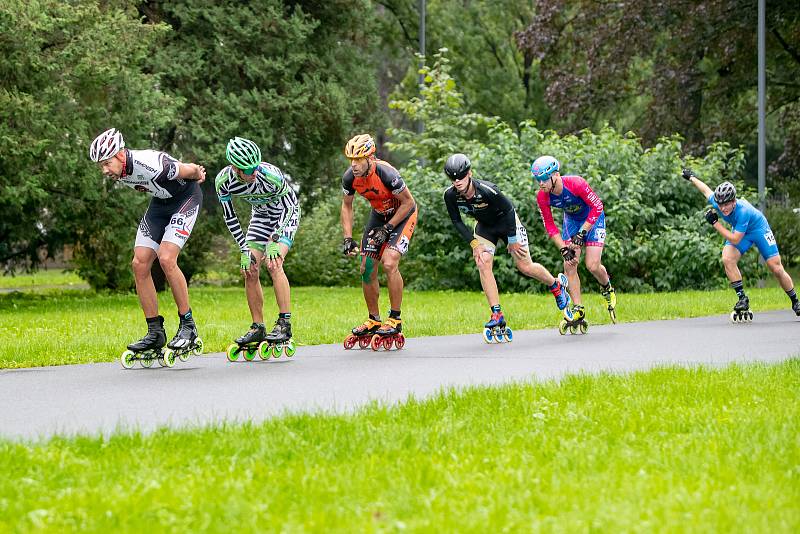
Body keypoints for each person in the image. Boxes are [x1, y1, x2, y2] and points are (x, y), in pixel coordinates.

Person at [89, 128, 205, 353]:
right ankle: (155, 332)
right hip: (160, 205)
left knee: (166, 258)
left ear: (120, 155)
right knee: (139, 263)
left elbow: (188, 169)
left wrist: (197, 172)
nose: (104, 170)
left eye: (106, 163)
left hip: (185, 199)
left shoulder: (152, 163)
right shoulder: (121, 170)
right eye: (100, 166)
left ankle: (188, 325)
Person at [442, 153, 573, 338]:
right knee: (482, 262)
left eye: (461, 176)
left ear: (469, 173)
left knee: (524, 266)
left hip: (508, 223)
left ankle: (556, 285)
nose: (457, 181)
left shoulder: (487, 190)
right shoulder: (450, 195)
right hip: (485, 227)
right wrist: (474, 244)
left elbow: (509, 209)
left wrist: (512, 240)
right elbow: (457, 221)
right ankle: (497, 314)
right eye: (452, 178)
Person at [216, 137, 301, 348]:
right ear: (235, 168)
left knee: (274, 263)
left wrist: (275, 240)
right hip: (261, 217)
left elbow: (290, 208)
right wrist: (244, 249)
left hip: (285, 215)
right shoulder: (223, 182)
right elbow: (230, 217)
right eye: (248, 169)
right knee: (250, 268)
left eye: (256, 166)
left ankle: (284, 324)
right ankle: (258, 327)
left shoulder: (270, 175)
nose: (254, 171)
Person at [682, 168, 800, 318]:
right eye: (720, 204)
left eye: (726, 204)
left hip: (758, 229)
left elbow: (735, 239)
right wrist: (692, 177)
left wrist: (715, 224)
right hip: (741, 232)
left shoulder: (743, 211)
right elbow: (706, 190)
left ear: (734, 201)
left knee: (776, 268)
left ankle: (796, 301)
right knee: (727, 258)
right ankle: (742, 298)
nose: (723, 208)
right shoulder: (720, 203)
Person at [341, 134, 417, 343]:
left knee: (390, 262)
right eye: (351, 160)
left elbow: (409, 203)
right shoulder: (350, 177)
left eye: (358, 159)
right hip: (379, 216)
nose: (354, 165)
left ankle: (395, 318)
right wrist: (348, 238)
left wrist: (389, 227)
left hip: (402, 215)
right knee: (366, 268)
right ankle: (374, 319)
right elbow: (347, 206)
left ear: (370, 158)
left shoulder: (386, 172)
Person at [532, 155, 617, 323]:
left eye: (544, 179)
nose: (541, 184)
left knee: (592, 266)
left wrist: (582, 233)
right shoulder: (542, 196)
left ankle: (607, 286)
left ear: (555, 175)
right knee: (569, 264)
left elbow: (598, 206)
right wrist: (563, 248)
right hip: (571, 221)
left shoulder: (576, 183)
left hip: (592, 219)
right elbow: (550, 225)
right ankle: (578, 309)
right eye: (538, 180)